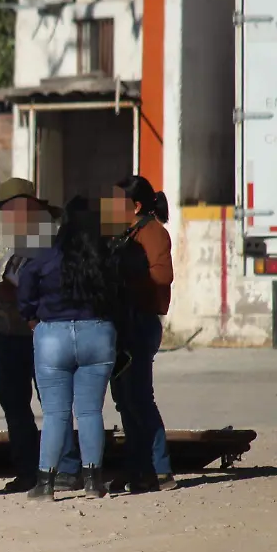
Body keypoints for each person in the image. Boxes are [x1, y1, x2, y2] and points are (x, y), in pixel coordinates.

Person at [0, 178, 82, 493]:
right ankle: (27, 470)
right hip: (7, 335)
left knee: (54, 401)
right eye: (7, 209)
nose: (11, 214)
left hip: (46, 333)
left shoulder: (53, 240)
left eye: (18, 208)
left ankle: (66, 469)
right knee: (13, 403)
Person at [18, 195, 121, 500]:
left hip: (53, 335)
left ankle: (45, 485)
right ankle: (93, 482)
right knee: (90, 411)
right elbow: (119, 296)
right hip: (98, 334)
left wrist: (31, 316)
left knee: (55, 414)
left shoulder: (47, 255)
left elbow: (25, 290)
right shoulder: (106, 255)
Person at [101, 175, 177, 493]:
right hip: (123, 323)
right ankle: (138, 467)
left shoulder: (153, 233)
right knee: (125, 399)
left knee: (140, 398)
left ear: (135, 206)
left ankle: (159, 469)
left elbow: (162, 276)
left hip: (140, 323)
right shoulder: (127, 232)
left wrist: (124, 282)